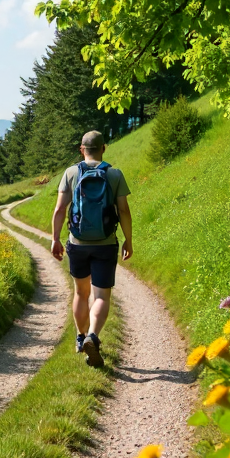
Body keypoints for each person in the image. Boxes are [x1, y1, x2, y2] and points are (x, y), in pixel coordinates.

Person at [50, 130, 132, 367]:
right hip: (106, 244)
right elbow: (124, 211)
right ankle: (93, 336)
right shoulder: (114, 174)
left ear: (81, 149)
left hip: (77, 243)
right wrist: (128, 239)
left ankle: (80, 337)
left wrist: (55, 239)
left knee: (80, 293)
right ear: (104, 148)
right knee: (101, 296)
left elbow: (60, 210)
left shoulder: (70, 173)